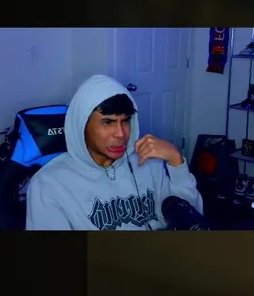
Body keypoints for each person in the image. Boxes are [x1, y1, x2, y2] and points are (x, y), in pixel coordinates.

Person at [26, 74, 203, 231]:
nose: (121, 133)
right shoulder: (49, 184)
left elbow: (193, 220)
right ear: (82, 125)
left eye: (125, 121)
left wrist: (176, 161)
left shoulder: (148, 161)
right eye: (107, 122)